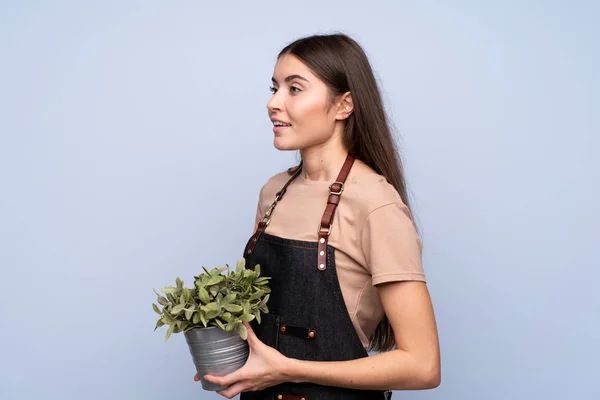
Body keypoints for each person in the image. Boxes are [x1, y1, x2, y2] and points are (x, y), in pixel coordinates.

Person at [195, 32, 441, 399]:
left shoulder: (375, 204)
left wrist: (286, 370)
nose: (272, 103)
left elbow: (423, 366)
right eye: (274, 87)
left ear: (344, 106)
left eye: (294, 89)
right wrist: (223, 350)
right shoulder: (274, 192)